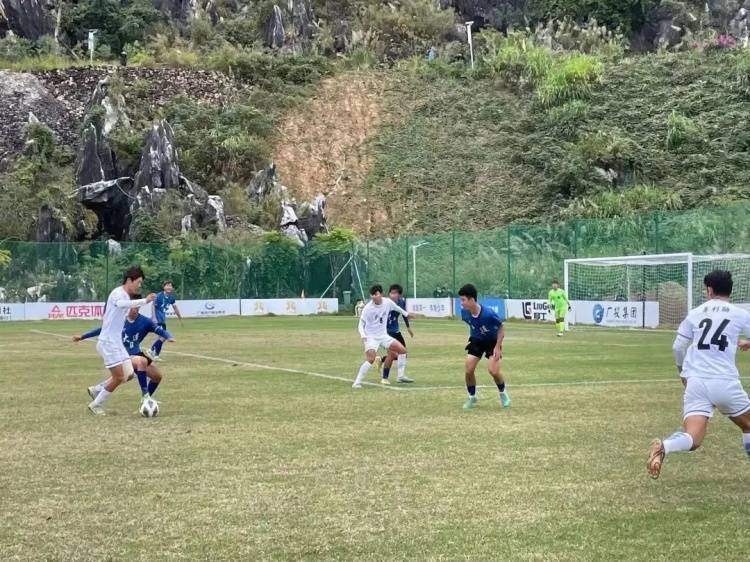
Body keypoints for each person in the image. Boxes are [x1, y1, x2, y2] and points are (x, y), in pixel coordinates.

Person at [647, 270, 750, 479]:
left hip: (695, 382)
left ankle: (665, 446)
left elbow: (678, 347)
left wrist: (682, 373)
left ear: (709, 290)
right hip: (724, 381)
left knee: (693, 438)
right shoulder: (740, 314)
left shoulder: (695, 312)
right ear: (730, 290)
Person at [86, 266, 155, 415]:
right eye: (138, 282)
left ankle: (96, 389)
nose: (139, 285)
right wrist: (144, 301)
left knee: (129, 374)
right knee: (118, 377)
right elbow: (120, 304)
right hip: (108, 343)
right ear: (130, 280)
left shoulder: (126, 295)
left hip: (117, 343)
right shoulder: (118, 293)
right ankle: (95, 405)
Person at [75, 302, 175, 402]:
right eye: (132, 307)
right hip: (121, 354)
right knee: (137, 365)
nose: (134, 309)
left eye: (137, 306)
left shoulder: (145, 321)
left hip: (136, 353)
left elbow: (159, 330)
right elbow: (102, 330)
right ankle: (145, 397)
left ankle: (97, 389)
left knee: (156, 376)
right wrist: (83, 337)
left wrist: (168, 336)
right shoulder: (119, 321)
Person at [458, 283, 511, 410]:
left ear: (472, 299)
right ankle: (472, 397)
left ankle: (503, 394)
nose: (461, 303)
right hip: (477, 341)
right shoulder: (465, 313)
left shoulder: (488, 314)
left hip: (492, 342)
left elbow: (501, 329)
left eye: (463, 300)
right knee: (468, 369)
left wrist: (497, 347)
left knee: (493, 371)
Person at [353, 285, 413, 389]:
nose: (373, 297)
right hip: (371, 337)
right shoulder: (368, 308)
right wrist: (363, 335)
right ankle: (357, 382)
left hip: (383, 336)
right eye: (372, 295)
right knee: (371, 359)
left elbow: (397, 308)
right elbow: (360, 324)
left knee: (403, 350)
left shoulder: (387, 302)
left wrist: (407, 314)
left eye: (376, 294)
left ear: (381, 294)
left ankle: (401, 376)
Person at [379, 284, 415, 385]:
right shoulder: (385, 303)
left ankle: (400, 376)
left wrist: (408, 327)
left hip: (396, 331)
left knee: (403, 353)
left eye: (395, 293)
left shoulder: (401, 302)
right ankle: (385, 377)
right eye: (391, 293)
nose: (392, 295)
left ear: (399, 295)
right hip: (386, 332)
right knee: (393, 354)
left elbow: (404, 314)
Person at [150, 280, 182, 361]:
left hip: (163, 319)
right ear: (164, 287)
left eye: (170, 285)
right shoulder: (159, 296)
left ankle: (156, 355)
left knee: (161, 338)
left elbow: (175, 307)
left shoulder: (171, 297)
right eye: (167, 285)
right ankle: (152, 350)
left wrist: (179, 316)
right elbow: (153, 305)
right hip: (158, 319)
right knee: (163, 336)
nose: (169, 287)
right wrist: (153, 317)